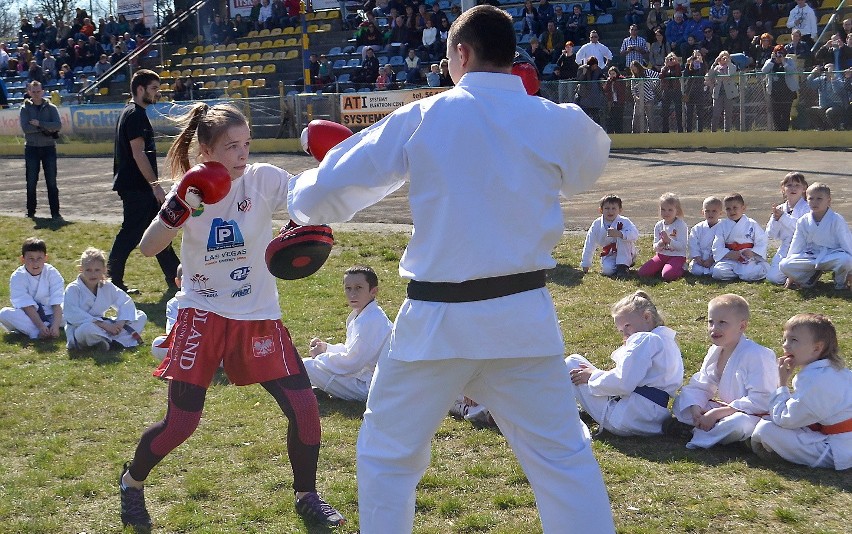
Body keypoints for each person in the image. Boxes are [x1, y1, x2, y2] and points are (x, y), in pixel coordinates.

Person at [287, 6, 615, 532]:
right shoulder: (559, 121)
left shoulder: (426, 116)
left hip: (436, 324)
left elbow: (324, 196)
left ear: (461, 53)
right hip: (522, 319)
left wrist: (302, 194)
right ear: (512, 57)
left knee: (388, 457)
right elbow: (589, 162)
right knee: (564, 460)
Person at [118, 103, 345, 529]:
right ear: (206, 150)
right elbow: (148, 247)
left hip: (258, 312)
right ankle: (132, 482)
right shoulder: (191, 189)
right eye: (231, 147)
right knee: (181, 424)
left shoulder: (263, 178)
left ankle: (307, 495)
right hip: (202, 312)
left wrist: (337, 163)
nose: (242, 155)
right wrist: (181, 205)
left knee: (304, 408)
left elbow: (313, 201)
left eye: (246, 144)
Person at [666, 294, 777, 448]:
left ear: (742, 326)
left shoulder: (758, 354)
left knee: (738, 424)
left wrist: (717, 414)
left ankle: (699, 433)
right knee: (682, 402)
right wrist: (695, 407)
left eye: (722, 323)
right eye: (711, 322)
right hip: (726, 409)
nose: (714, 328)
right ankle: (711, 430)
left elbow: (762, 400)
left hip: (752, 415)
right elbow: (703, 384)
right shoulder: (715, 350)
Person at [567, 291, 684, 436]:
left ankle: (565, 413)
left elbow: (623, 382)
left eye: (627, 326)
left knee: (572, 362)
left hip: (626, 418)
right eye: (622, 330)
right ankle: (583, 410)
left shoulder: (644, 338)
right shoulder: (668, 341)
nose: (625, 334)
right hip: (654, 418)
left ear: (647, 317)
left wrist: (591, 377)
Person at [108, 70, 180, 294]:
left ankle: (176, 277)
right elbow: (138, 154)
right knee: (130, 234)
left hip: (137, 186)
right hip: (136, 187)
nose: (157, 94)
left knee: (159, 232)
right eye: (154, 89)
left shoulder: (130, 112)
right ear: (140, 90)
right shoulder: (135, 115)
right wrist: (155, 185)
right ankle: (112, 281)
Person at [750, 314, 852, 470]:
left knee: (765, 429)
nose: (786, 346)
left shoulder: (815, 380)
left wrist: (782, 383)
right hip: (842, 441)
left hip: (838, 450)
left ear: (817, 348)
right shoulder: (837, 371)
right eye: (785, 340)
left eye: (794, 340)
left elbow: (785, 419)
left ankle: (775, 455)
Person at [305, 266, 392, 402]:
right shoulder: (364, 314)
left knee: (304, 366)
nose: (352, 294)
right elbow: (351, 351)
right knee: (308, 364)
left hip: (372, 387)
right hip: (365, 377)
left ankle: (306, 392)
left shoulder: (370, 320)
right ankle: (315, 388)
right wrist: (326, 348)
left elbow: (352, 362)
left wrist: (321, 356)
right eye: (348, 288)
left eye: (358, 288)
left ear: (373, 291)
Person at [63, 247, 147, 351]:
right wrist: (104, 326)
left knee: (140, 316)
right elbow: (72, 314)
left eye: (97, 270)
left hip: (105, 328)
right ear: (81, 269)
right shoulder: (73, 289)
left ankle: (110, 342)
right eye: (88, 270)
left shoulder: (107, 286)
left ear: (104, 269)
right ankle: (114, 342)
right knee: (86, 329)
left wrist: (119, 324)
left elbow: (125, 302)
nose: (93, 274)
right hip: (82, 328)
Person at [780, 182, 852, 290]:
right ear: (806, 200)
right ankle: (810, 277)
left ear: (828, 200)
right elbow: (796, 244)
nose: (815, 202)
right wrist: (791, 275)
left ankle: (840, 281)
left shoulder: (836, 219)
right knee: (784, 265)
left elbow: (847, 243)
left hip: (832, 254)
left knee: (846, 260)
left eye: (819, 199)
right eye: (811, 199)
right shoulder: (803, 221)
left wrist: (850, 271)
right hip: (811, 256)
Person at [0, 237, 64, 340]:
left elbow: (57, 303)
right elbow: (27, 306)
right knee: (4, 313)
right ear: (23, 259)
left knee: (72, 311)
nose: (35, 263)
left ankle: (51, 328)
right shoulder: (18, 276)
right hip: (28, 316)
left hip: (51, 314)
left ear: (45, 258)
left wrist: (55, 326)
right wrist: (40, 326)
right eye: (31, 259)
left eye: (39, 258)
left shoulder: (52, 273)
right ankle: (35, 332)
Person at [19, 80, 61, 220]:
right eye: (33, 91)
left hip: (48, 148)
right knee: (31, 182)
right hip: (31, 148)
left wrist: (39, 124)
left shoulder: (51, 107)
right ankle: (31, 212)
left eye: (38, 91)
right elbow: (26, 129)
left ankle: (55, 212)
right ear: (29, 92)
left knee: (52, 182)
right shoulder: (24, 108)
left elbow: (57, 125)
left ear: (43, 91)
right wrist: (46, 128)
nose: (36, 94)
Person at [711, 193, 769, 281]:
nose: (732, 211)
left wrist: (753, 252)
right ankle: (738, 273)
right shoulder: (722, 225)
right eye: (728, 209)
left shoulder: (751, 223)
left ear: (743, 208)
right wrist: (728, 254)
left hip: (748, 258)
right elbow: (717, 245)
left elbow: (761, 241)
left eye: (735, 208)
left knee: (749, 275)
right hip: (731, 258)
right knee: (717, 272)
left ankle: (761, 268)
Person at [765, 172, 809, 285]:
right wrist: (775, 219)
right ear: (783, 189)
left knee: (798, 274)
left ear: (804, 188)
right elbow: (771, 234)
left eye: (797, 185)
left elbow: (802, 229)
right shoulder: (780, 208)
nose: (793, 188)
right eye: (789, 185)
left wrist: (783, 217)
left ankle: (810, 272)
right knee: (773, 278)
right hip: (785, 248)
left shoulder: (807, 208)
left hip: (803, 249)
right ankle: (794, 276)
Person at [581, 194, 640, 278]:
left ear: (620, 210)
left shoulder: (625, 221)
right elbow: (589, 243)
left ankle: (623, 266)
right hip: (610, 253)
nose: (610, 211)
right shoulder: (597, 224)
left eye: (614, 208)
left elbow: (635, 234)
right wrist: (586, 263)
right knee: (607, 271)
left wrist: (620, 234)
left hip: (626, 251)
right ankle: (620, 266)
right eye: (607, 208)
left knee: (622, 239)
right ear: (601, 210)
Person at [638, 193, 689, 282]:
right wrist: (661, 242)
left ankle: (682, 267)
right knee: (643, 272)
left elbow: (682, 247)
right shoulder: (659, 225)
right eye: (663, 209)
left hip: (677, 256)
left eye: (670, 210)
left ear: (677, 210)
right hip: (662, 255)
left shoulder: (681, 225)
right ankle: (663, 266)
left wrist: (669, 240)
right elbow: (655, 247)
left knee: (667, 275)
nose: (666, 213)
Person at [761, 45, 799, 131]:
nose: (779, 55)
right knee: (776, 113)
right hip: (774, 92)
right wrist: (772, 61)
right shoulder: (770, 62)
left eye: (781, 53)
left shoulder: (789, 61)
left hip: (787, 92)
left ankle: (785, 130)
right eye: (777, 53)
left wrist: (783, 62)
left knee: (786, 112)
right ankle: (777, 130)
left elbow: (791, 71)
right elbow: (764, 71)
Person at [150, 265, 182, 362]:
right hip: (185, 343)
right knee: (158, 344)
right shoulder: (174, 303)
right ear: (178, 282)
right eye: (187, 280)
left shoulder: (209, 299)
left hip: (208, 343)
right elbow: (172, 331)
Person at [806, 64, 848, 130]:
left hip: (837, 106)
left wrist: (832, 77)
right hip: (823, 106)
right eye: (825, 69)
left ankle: (836, 128)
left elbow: (837, 90)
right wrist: (812, 74)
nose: (825, 71)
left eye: (827, 69)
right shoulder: (821, 79)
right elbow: (809, 84)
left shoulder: (838, 79)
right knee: (810, 110)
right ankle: (821, 127)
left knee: (829, 111)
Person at [688, 196, 723, 276]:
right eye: (707, 211)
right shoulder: (697, 228)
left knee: (719, 270)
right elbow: (693, 244)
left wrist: (712, 259)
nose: (710, 214)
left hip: (715, 259)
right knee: (695, 270)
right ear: (703, 212)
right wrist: (697, 257)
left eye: (714, 211)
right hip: (700, 259)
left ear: (720, 213)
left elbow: (723, 245)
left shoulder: (723, 227)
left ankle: (711, 269)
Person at [707, 51, 739, 132]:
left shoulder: (732, 66)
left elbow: (731, 73)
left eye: (726, 57)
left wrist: (728, 63)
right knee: (716, 114)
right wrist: (714, 63)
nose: (724, 59)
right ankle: (713, 131)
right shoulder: (716, 67)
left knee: (728, 114)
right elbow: (709, 75)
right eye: (722, 57)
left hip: (728, 93)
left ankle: (727, 131)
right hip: (718, 93)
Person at [629, 60, 660, 133]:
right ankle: (635, 132)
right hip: (639, 99)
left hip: (649, 98)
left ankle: (651, 131)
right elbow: (633, 89)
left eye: (635, 69)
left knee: (650, 116)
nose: (634, 71)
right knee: (636, 116)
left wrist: (653, 85)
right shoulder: (634, 77)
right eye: (632, 70)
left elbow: (658, 76)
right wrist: (636, 97)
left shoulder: (648, 72)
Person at [575, 56, 606, 124]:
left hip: (595, 96)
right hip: (585, 96)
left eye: (596, 65)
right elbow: (579, 80)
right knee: (584, 116)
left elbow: (602, 76)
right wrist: (584, 73)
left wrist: (602, 79)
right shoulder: (582, 69)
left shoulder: (598, 70)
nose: (595, 67)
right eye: (594, 65)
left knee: (596, 117)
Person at [659, 53, 683, 133]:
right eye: (669, 59)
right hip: (666, 91)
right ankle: (665, 130)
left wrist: (676, 63)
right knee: (665, 111)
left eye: (672, 59)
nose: (671, 60)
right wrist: (666, 65)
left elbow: (678, 74)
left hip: (676, 90)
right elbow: (661, 76)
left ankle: (680, 129)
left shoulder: (677, 67)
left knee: (678, 110)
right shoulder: (665, 68)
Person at [603, 66, 628, 134]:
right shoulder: (609, 81)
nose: (612, 75)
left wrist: (615, 81)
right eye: (610, 74)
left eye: (613, 73)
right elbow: (605, 90)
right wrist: (609, 82)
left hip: (619, 102)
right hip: (612, 103)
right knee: (611, 119)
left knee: (619, 119)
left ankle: (619, 133)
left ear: (616, 73)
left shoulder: (621, 79)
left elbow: (621, 90)